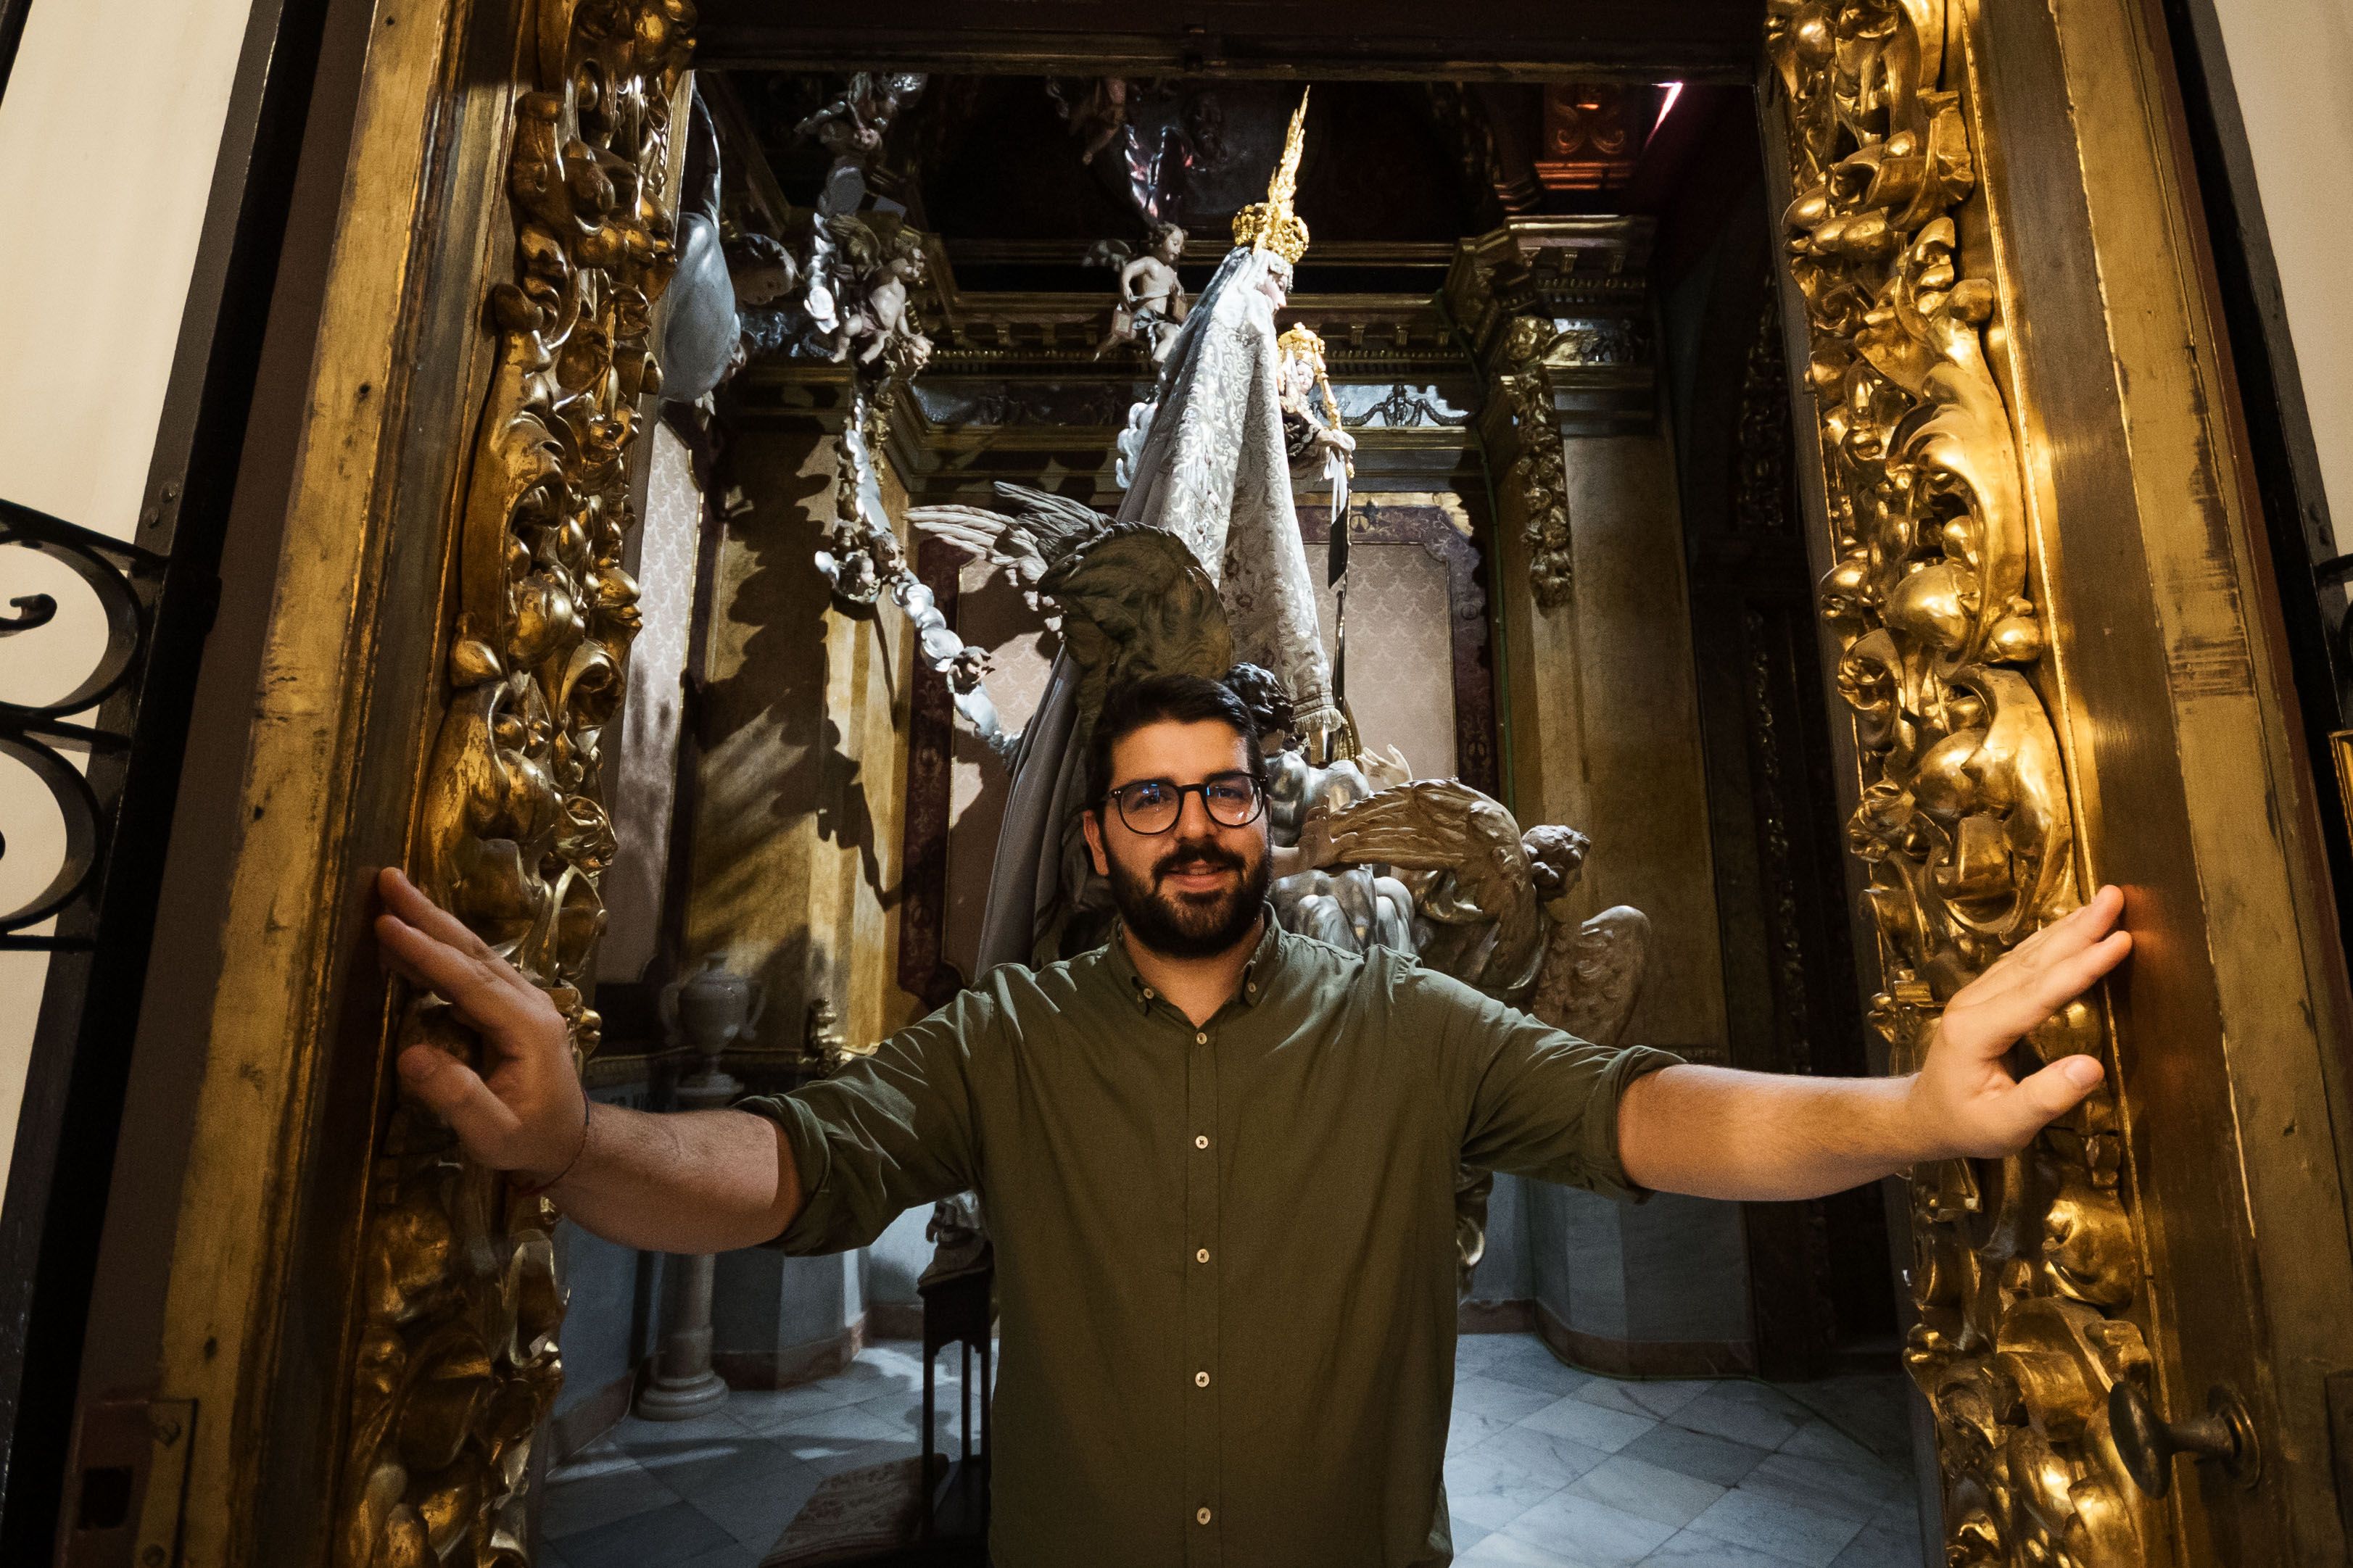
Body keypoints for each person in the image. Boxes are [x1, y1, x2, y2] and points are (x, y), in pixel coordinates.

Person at [374, 673, 2130, 1568]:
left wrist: (1909, 1108)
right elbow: (793, 1169)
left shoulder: (1413, 1023)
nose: (1197, 825)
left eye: (1225, 793)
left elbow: (1650, 1120)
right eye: (1154, 800)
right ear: (1099, 841)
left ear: (1265, 824)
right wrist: (578, 1145)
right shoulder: (1012, 1036)